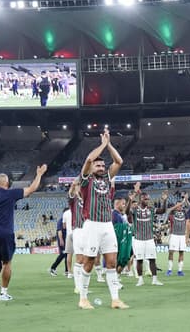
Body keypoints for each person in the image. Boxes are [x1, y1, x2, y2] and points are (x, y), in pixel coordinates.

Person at [0, 163, 46, 304]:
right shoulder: (11, 193)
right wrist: (39, 174)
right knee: (6, 263)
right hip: (6, 233)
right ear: (8, 183)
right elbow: (32, 189)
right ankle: (3, 293)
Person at [77, 130, 128, 310]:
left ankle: (115, 299)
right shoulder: (85, 180)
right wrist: (102, 145)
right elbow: (89, 160)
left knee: (112, 262)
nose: (101, 167)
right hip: (92, 224)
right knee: (89, 261)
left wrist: (109, 144)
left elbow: (119, 161)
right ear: (92, 169)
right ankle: (83, 298)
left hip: (108, 225)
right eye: (98, 166)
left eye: (102, 165)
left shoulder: (107, 179)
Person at [130, 182, 166, 287]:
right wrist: (132, 198)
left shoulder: (151, 209)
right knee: (140, 260)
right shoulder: (135, 210)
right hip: (138, 239)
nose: (148, 200)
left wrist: (164, 200)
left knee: (152, 259)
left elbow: (162, 211)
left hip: (149, 239)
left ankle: (155, 279)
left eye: (148, 199)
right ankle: (140, 279)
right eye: (146, 199)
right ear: (141, 199)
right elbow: (127, 211)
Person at [166, 192, 190, 277]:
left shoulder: (185, 213)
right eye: (178, 206)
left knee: (181, 252)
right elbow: (169, 209)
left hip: (182, 235)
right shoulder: (172, 213)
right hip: (174, 235)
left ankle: (180, 270)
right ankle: (169, 270)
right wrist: (180, 203)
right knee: (171, 252)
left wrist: (186, 200)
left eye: (181, 206)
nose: (180, 207)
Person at [49, 207, 69, 277]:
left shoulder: (67, 221)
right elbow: (59, 231)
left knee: (67, 255)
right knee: (63, 255)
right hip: (63, 241)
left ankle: (67, 271)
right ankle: (52, 268)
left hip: (67, 241)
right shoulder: (61, 221)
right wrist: (61, 240)